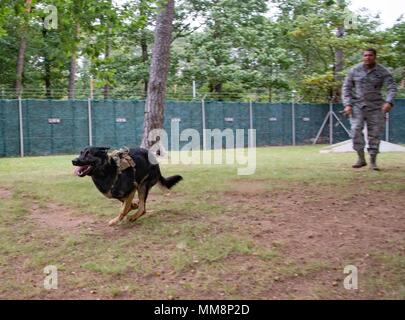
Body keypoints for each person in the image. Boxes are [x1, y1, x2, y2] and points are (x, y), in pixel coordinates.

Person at [342, 48, 397, 171]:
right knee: (355, 130)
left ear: (375, 57)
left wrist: (389, 102)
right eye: (365, 55)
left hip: (376, 107)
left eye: (370, 55)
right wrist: (347, 104)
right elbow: (346, 88)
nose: (367, 57)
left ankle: (373, 161)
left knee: (374, 133)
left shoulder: (383, 71)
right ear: (363, 57)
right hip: (357, 106)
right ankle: (361, 158)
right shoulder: (354, 70)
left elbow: (392, 87)